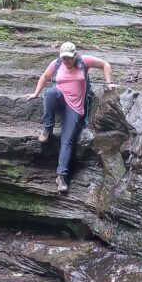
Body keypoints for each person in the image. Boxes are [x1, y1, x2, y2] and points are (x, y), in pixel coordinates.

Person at [24, 41, 117, 192]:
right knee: (50, 93)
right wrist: (35, 93)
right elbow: (45, 76)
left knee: (67, 141)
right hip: (60, 99)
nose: (66, 61)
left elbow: (105, 64)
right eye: (63, 58)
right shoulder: (56, 64)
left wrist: (109, 83)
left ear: (75, 55)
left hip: (75, 108)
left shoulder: (84, 62)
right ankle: (48, 128)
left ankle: (61, 176)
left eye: (68, 58)